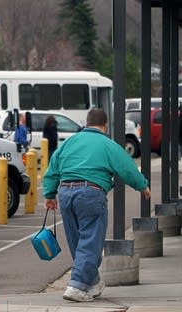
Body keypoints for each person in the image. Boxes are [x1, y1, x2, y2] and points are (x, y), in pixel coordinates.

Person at [43, 108, 151, 302]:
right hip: (90, 193)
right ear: (105, 125)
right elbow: (126, 167)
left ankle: (91, 283)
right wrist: (142, 186)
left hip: (65, 192)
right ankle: (76, 285)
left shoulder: (69, 142)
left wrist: (50, 194)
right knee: (90, 241)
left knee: (78, 242)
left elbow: (53, 168)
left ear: (86, 122)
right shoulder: (107, 144)